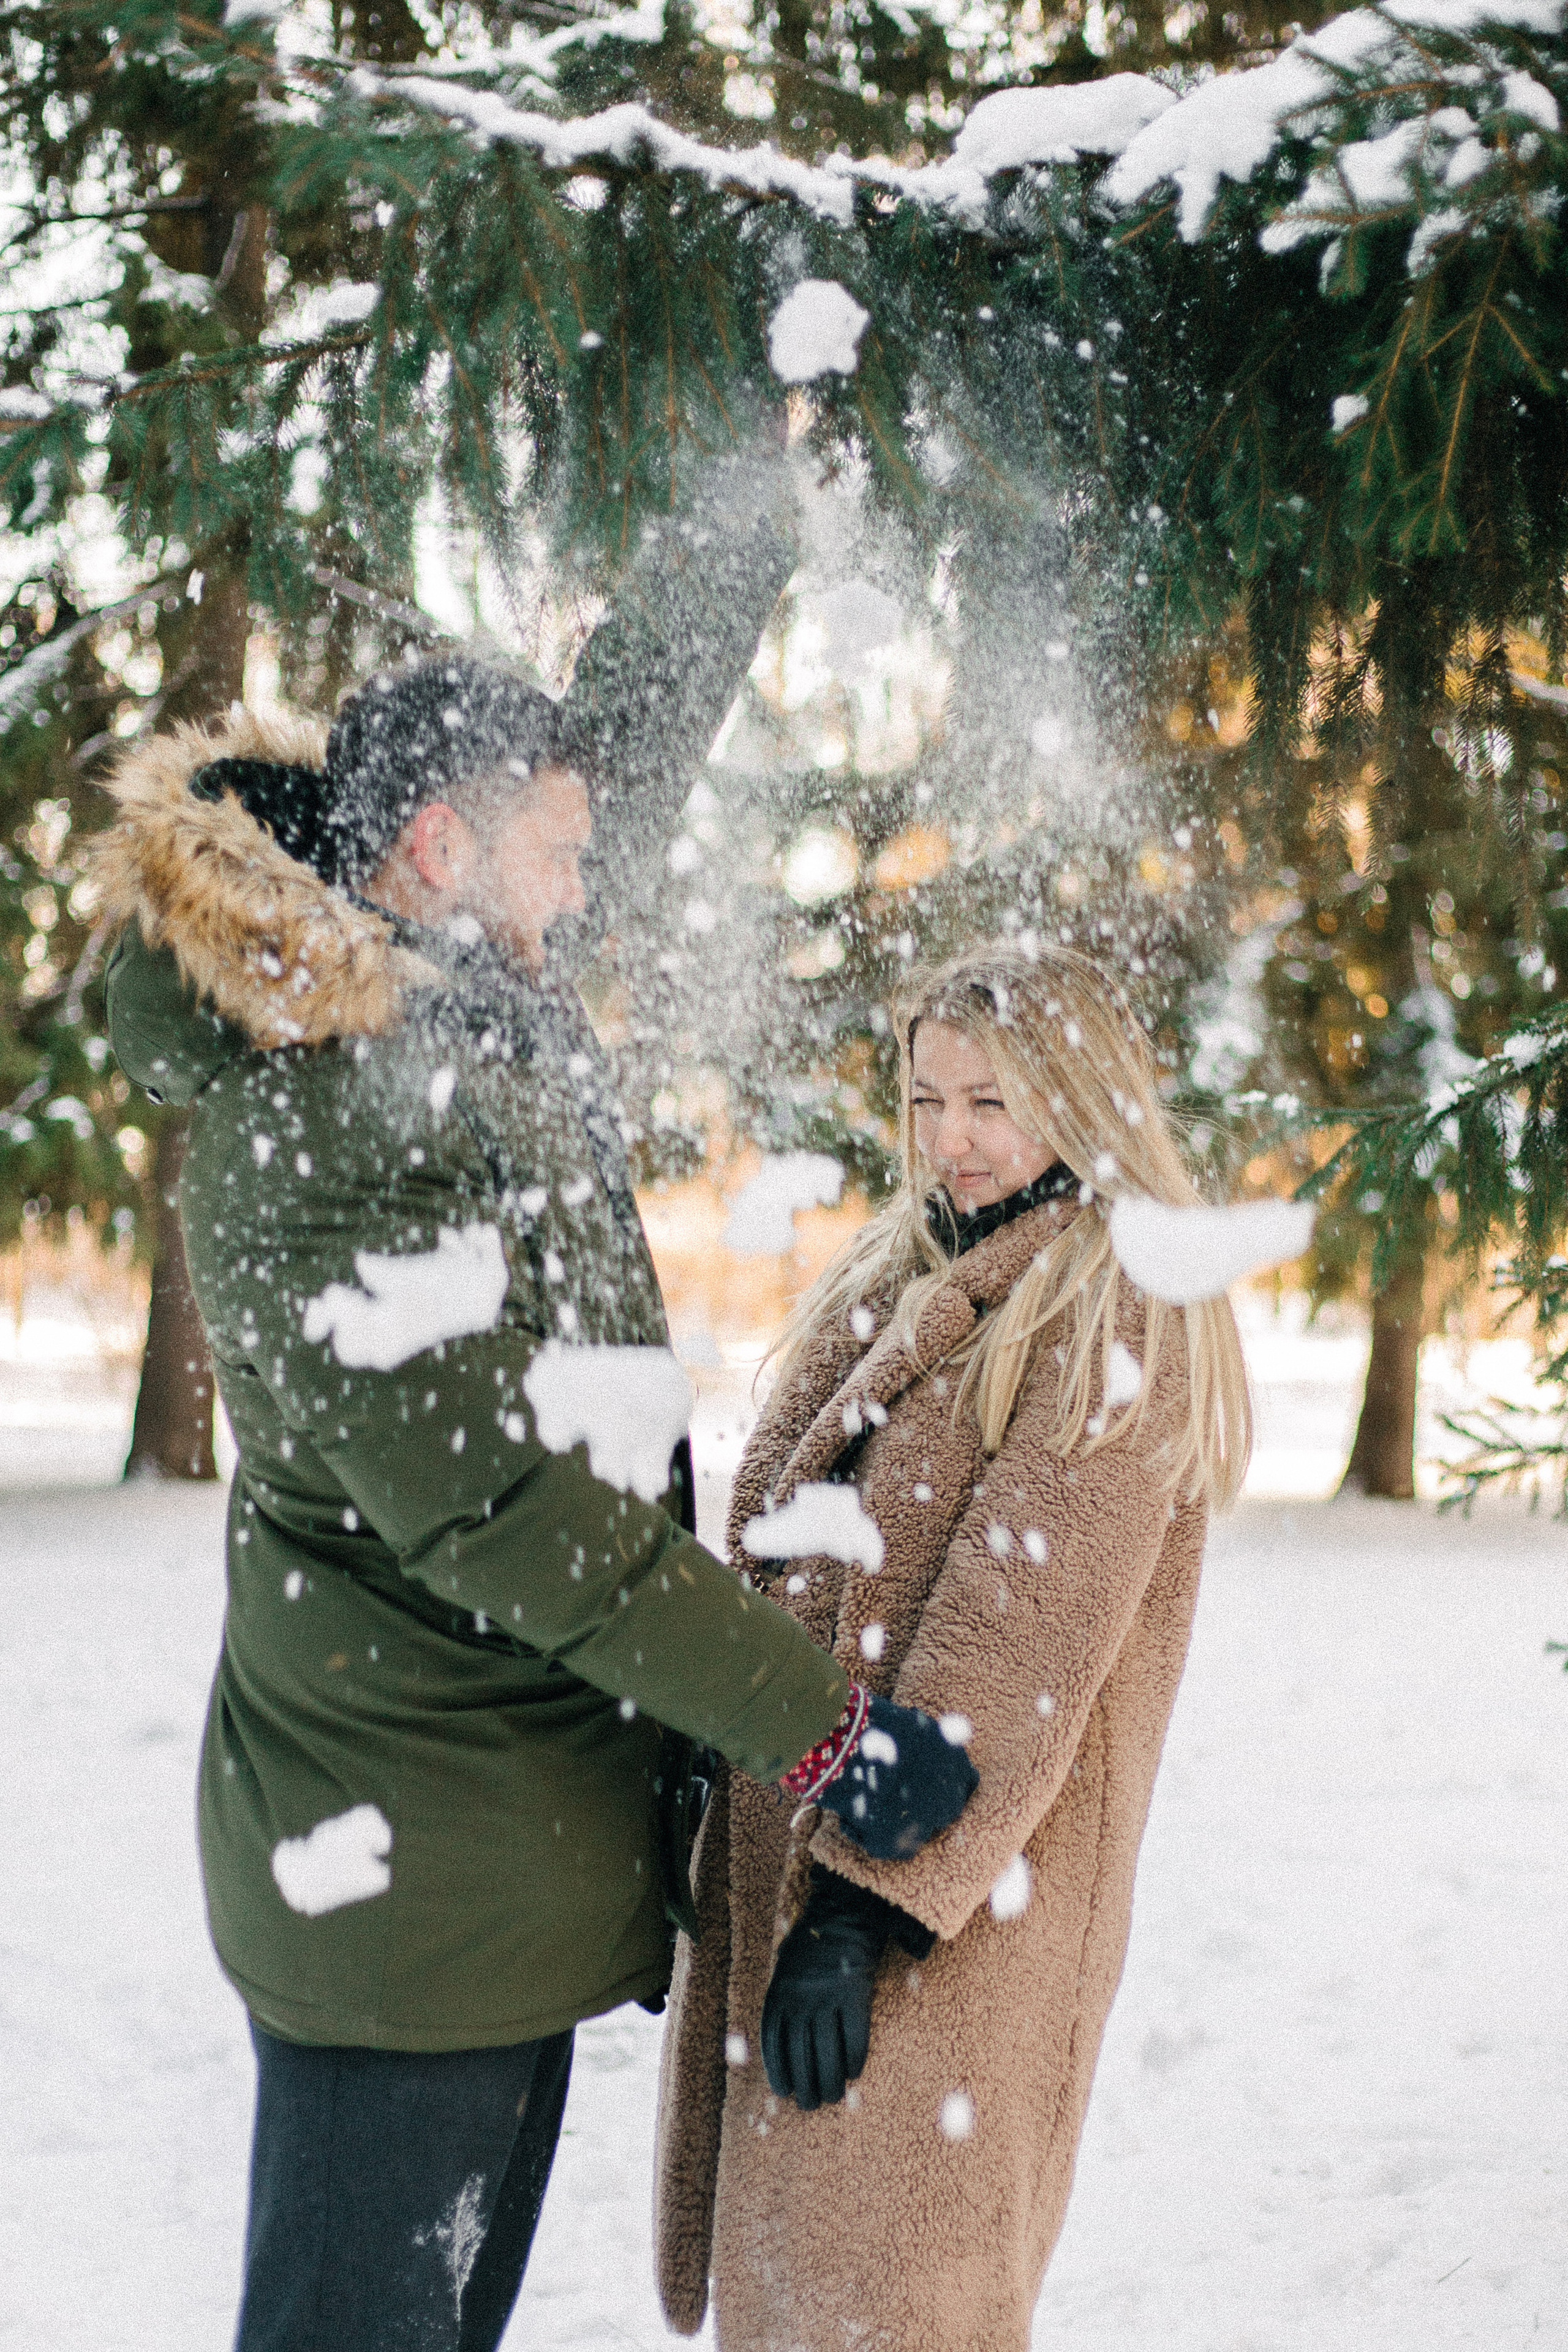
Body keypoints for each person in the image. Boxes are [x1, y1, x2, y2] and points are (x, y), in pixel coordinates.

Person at [97, 462, 977, 2352]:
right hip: (405, 1885)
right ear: (433, 847)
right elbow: (502, 1513)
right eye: (557, 854)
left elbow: (618, 763)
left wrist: (756, 498)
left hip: (475, 1852)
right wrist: (816, 1731)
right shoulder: (328, 1107)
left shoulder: (446, 1004)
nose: (589, 885)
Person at [655, 942, 1253, 2352]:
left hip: (952, 1927)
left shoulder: (1118, 1302)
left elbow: (1016, 1639)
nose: (950, 1140)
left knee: (897, 2303)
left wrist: (862, 1913)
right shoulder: (921, 1260)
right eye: (926, 1101)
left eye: (990, 1103)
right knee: (808, 2298)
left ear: (1080, 1098)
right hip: (814, 1884)